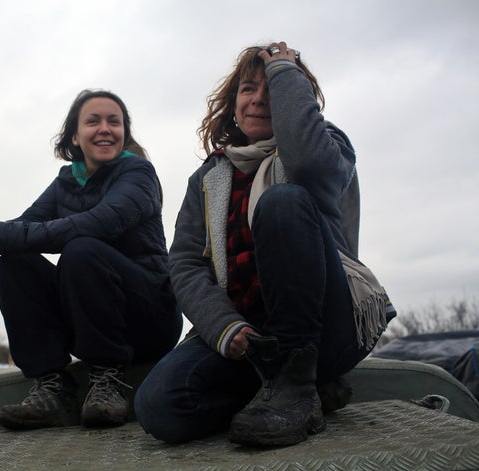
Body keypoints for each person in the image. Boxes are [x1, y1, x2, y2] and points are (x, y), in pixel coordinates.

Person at [134, 42, 396, 447]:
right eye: (247, 89)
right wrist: (225, 325)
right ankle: (290, 396)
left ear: (294, 95)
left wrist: (285, 70)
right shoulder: (207, 177)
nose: (258, 100)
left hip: (324, 330)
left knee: (282, 203)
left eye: (271, 89)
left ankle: (300, 382)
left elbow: (307, 163)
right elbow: (185, 263)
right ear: (232, 102)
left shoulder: (328, 147)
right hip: (251, 340)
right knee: (158, 408)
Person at [0, 89, 182, 430]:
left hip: (149, 317)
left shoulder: (138, 175)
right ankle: (52, 388)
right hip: (92, 314)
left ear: (125, 133)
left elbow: (99, 224)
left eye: (115, 121)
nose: (105, 128)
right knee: (14, 262)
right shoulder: (66, 182)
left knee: (82, 247)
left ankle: (108, 381)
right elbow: (26, 227)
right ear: (75, 136)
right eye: (93, 121)